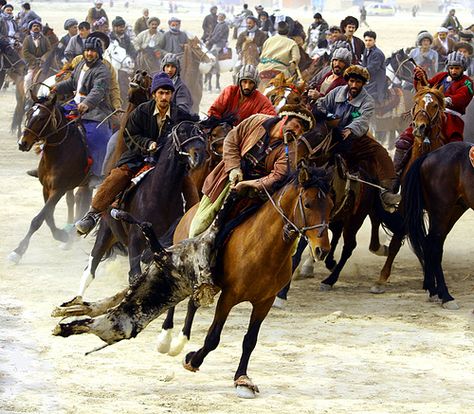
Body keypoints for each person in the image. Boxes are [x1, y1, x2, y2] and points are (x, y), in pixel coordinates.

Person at [75, 72, 199, 235]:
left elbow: (191, 127)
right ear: (154, 94)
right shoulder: (141, 112)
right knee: (118, 176)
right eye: (160, 93)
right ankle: (93, 214)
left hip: (167, 161)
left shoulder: (179, 115)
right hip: (139, 157)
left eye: (167, 93)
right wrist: (147, 144)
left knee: (188, 183)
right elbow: (130, 135)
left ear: (171, 95)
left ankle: (194, 225)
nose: (164, 97)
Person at [189, 103, 315, 238]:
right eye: (296, 126)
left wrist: (248, 184)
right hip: (230, 177)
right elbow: (231, 140)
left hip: (257, 192)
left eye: (301, 131)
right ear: (285, 118)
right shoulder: (256, 120)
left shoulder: (290, 149)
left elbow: (277, 176)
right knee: (200, 225)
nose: (296, 132)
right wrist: (234, 168)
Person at [315, 65, 401, 210]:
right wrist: (330, 117)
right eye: (352, 81)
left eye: (358, 82)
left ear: (363, 84)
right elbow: (321, 104)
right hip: (331, 133)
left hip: (354, 138)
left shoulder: (367, 101)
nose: (354, 85)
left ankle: (386, 192)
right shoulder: (336, 92)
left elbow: (362, 119)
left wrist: (350, 129)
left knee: (381, 152)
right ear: (347, 81)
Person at [394, 51, 474, 175]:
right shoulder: (441, 76)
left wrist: (445, 100)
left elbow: (463, 96)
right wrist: (420, 77)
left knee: (455, 147)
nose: (453, 71)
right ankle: (396, 174)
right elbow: (427, 87)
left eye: (457, 68)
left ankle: (454, 176)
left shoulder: (467, 82)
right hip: (430, 113)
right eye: (451, 68)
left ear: (463, 68)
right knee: (404, 140)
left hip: (451, 118)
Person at [54, 35, 113, 187]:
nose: (89, 53)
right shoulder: (80, 65)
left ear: (99, 52)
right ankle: (46, 164)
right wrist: (56, 88)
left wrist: (86, 104)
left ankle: (95, 173)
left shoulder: (103, 71)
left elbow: (97, 91)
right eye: (87, 50)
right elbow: (72, 82)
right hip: (74, 104)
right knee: (51, 122)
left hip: (96, 110)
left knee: (98, 137)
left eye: (92, 51)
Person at [208, 64, 276, 125]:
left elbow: (271, 118)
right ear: (239, 82)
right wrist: (220, 125)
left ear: (255, 85)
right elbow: (214, 110)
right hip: (222, 132)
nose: (247, 86)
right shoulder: (229, 91)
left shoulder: (261, 100)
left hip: (245, 135)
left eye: (251, 83)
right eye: (244, 82)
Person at [22, 20, 51, 92]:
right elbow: (25, 52)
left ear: (40, 28)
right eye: (34, 26)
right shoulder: (27, 39)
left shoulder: (45, 38)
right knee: (28, 79)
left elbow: (49, 50)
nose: (36, 27)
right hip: (32, 64)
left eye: (38, 26)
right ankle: (28, 96)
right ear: (31, 28)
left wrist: (44, 57)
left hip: (44, 64)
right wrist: (35, 59)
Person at [361, 30, 386, 104]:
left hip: (376, 82)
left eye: (370, 40)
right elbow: (363, 65)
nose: (368, 42)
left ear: (374, 41)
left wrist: (357, 71)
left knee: (367, 100)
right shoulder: (366, 50)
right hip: (368, 80)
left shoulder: (377, 53)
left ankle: (365, 114)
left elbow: (371, 69)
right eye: (366, 40)